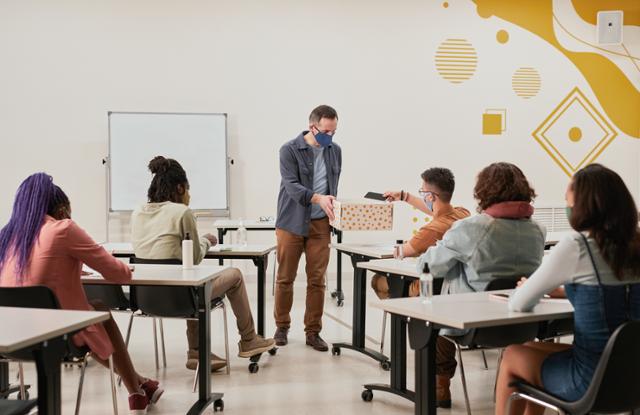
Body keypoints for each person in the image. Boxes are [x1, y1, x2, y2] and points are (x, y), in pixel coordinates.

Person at [0, 173, 162, 413]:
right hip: (57, 339)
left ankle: (139, 387)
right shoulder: (62, 229)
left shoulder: (7, 237)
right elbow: (119, 274)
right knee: (97, 312)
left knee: (93, 311)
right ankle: (136, 391)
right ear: (63, 208)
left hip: (11, 340)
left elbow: (33, 279)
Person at [496, 164, 640, 415]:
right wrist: (564, 291)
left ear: (585, 205)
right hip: (632, 375)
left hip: (589, 380)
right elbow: (615, 295)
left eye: (568, 200)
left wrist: (530, 286)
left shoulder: (578, 244)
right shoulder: (636, 244)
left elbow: (519, 304)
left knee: (512, 355)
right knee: (530, 348)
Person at [416, 162, 546, 408]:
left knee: (436, 304)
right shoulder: (538, 230)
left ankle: (440, 384)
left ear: (484, 190)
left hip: (474, 324)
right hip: (523, 324)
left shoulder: (472, 227)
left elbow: (427, 266)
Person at [131, 156, 275, 372]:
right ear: (180, 188)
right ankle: (248, 340)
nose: (189, 195)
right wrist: (207, 240)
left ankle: (196, 352)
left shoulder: (138, 212)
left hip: (145, 298)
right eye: (188, 190)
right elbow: (196, 255)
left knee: (191, 277)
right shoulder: (182, 212)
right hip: (180, 299)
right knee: (232, 275)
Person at [273, 105, 342, 352]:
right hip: (291, 222)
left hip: (320, 224)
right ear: (312, 126)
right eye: (325, 131)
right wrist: (318, 198)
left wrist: (333, 208)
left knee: (317, 280)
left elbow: (333, 185)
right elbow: (291, 186)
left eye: (333, 131)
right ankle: (282, 326)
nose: (330, 137)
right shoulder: (289, 150)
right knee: (285, 278)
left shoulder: (335, 151)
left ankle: (313, 332)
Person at [371, 167, 469, 299]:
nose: (422, 195)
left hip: (430, 286)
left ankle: (402, 316)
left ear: (429, 196)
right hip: (454, 283)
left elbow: (401, 252)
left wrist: (410, 244)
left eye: (422, 192)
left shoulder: (432, 230)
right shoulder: (463, 213)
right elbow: (438, 212)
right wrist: (404, 196)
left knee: (378, 280)